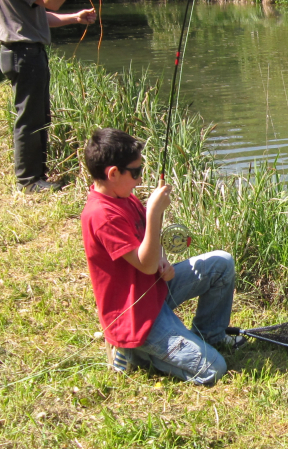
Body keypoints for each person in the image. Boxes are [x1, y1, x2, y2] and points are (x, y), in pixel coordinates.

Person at [81, 128, 237, 385]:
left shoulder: (124, 197)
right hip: (135, 317)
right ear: (112, 173)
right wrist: (154, 212)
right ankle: (134, 352)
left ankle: (210, 334)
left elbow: (148, 247)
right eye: (136, 172)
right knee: (213, 369)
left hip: (154, 291)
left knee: (221, 263)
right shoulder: (101, 216)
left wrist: (163, 259)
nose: (140, 180)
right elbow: (145, 264)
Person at [0, 0, 95, 192]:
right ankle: (28, 181)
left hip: (26, 53)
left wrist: (75, 17)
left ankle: (36, 176)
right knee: (30, 118)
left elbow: (42, 15)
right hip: (24, 54)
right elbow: (52, 2)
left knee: (39, 117)